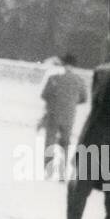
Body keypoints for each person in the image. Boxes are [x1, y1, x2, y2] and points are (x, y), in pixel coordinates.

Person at [64, 63, 110, 219]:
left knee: (77, 195)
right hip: (95, 141)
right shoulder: (102, 72)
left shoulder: (101, 72)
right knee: (77, 194)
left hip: (94, 141)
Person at [39, 54, 87, 182]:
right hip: (69, 116)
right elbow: (84, 99)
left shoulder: (54, 78)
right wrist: (71, 103)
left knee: (50, 140)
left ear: (64, 64)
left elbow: (44, 95)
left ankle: (48, 170)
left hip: (53, 114)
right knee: (65, 143)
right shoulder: (79, 80)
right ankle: (62, 173)